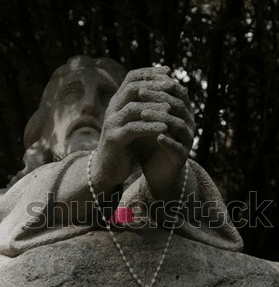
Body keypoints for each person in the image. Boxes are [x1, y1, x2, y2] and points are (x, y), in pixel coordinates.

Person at [0, 55, 243, 257]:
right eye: (72, 94)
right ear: (44, 126)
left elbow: (215, 235)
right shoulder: (10, 202)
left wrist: (168, 180)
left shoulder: (163, 188)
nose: (89, 105)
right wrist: (99, 171)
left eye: (107, 96)